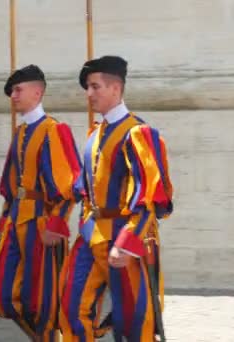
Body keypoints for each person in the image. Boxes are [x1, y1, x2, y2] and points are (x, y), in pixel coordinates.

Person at [59, 56, 174, 341]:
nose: (89, 94)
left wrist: (128, 242)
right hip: (89, 236)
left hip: (123, 238)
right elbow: (81, 186)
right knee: (72, 310)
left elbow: (149, 195)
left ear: (115, 88)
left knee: (132, 321)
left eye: (95, 86)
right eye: (88, 87)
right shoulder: (94, 134)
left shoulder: (138, 133)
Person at [0, 64, 82, 341]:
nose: (13, 96)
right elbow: (11, 184)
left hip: (43, 226)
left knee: (43, 301)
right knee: (3, 296)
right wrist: (6, 217)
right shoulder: (20, 133)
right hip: (16, 223)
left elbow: (71, 185)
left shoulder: (55, 130)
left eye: (18, 90)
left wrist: (57, 222)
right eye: (12, 92)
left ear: (37, 92)